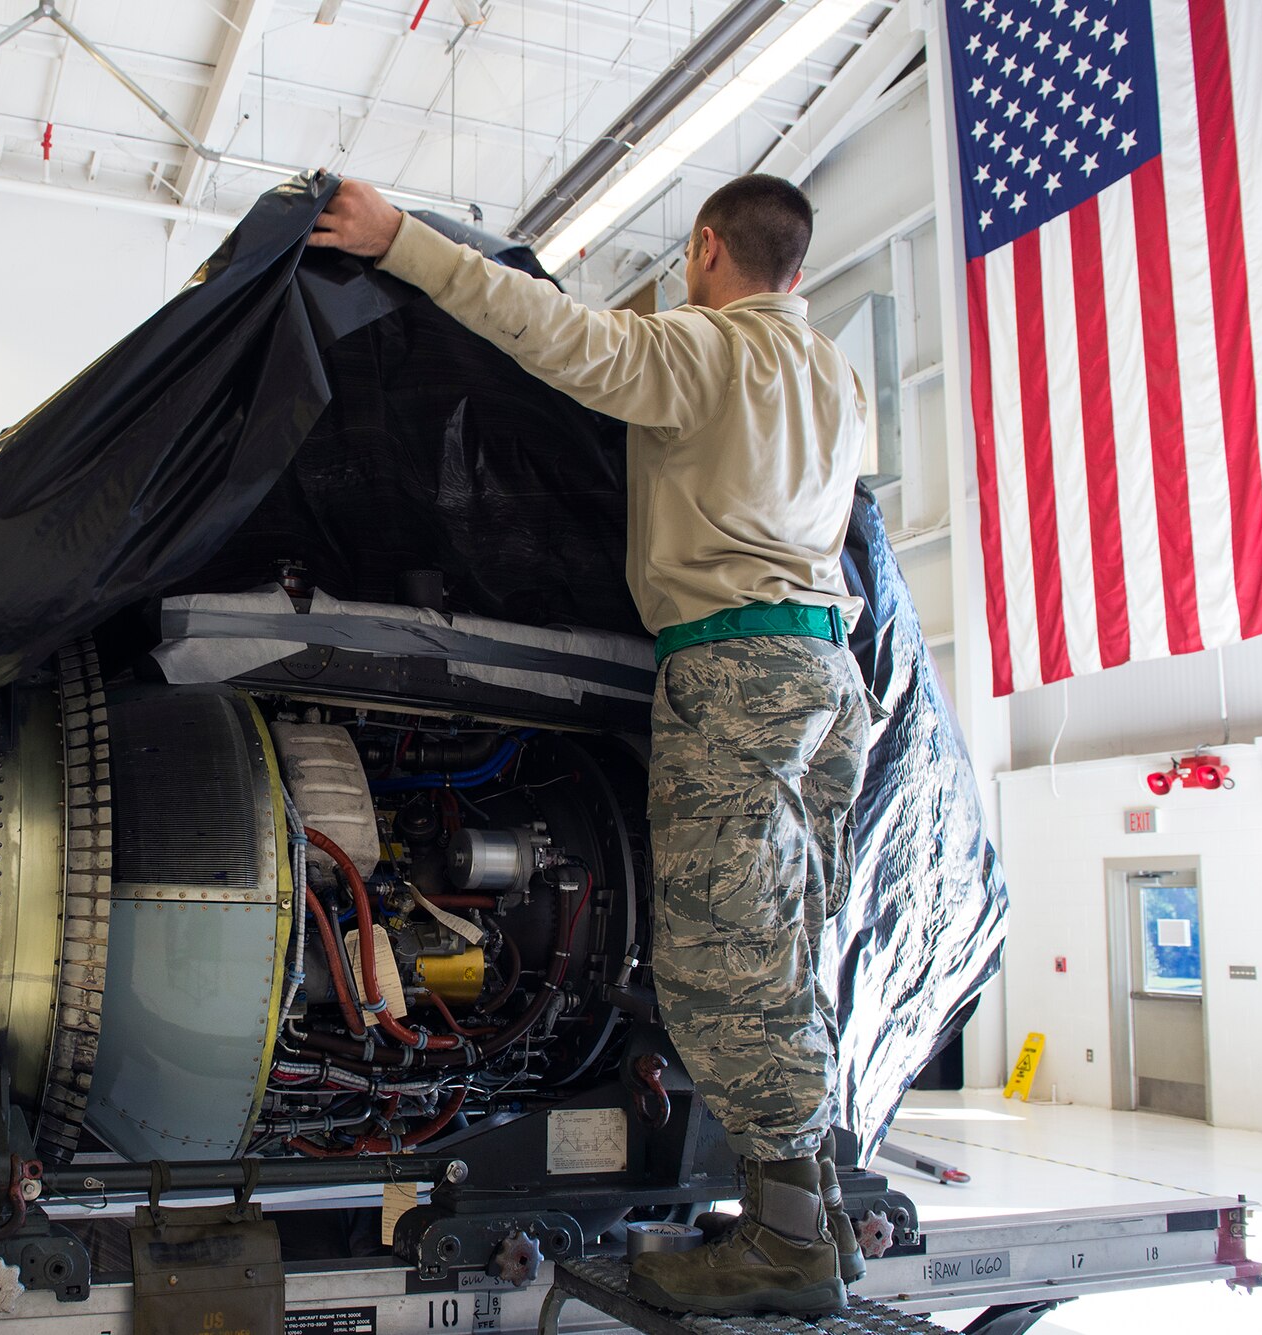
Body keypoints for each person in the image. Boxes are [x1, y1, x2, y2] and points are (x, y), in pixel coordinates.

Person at [310, 174, 871, 1317]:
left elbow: (549, 332)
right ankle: (809, 1212)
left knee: (721, 961)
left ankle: (784, 1243)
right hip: (826, 675)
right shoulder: (834, 374)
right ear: (797, 272)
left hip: (735, 666)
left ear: (707, 250)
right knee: (789, 946)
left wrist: (397, 241)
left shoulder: (709, 352)